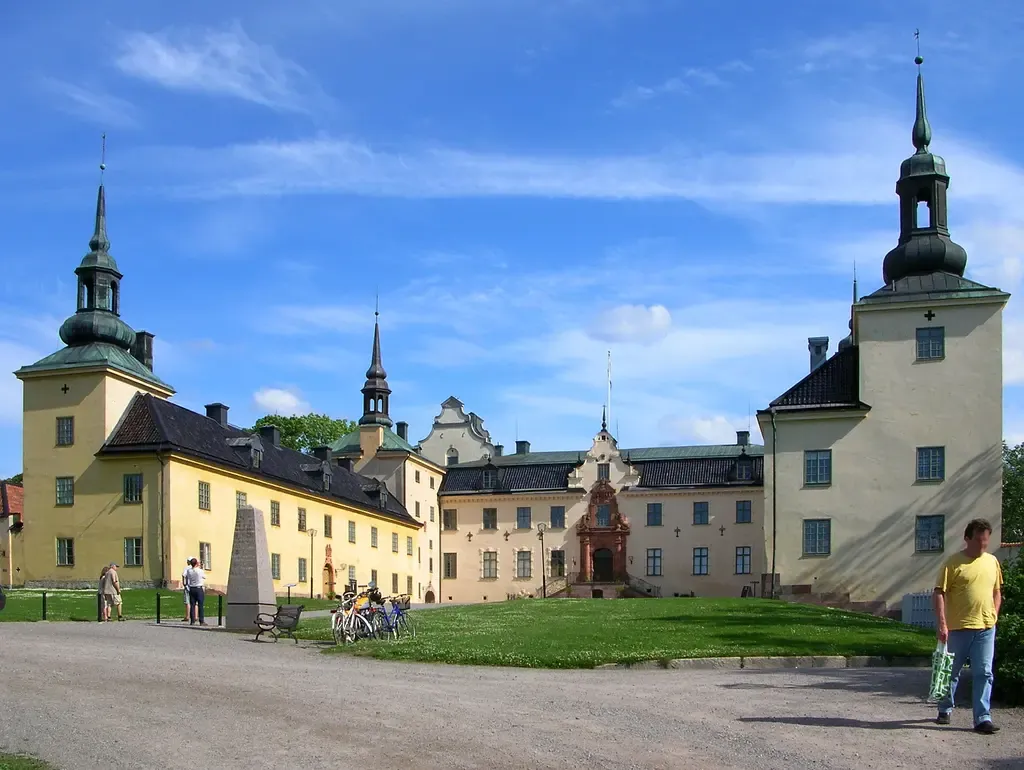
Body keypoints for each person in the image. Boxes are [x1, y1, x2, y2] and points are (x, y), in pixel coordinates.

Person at [933, 518, 1003, 734]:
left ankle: (982, 718)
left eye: (985, 541)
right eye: (978, 541)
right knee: (950, 671)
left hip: (985, 628)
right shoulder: (953, 563)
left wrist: (994, 614)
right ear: (967, 539)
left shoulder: (992, 562)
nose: (982, 545)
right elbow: (939, 593)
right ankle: (944, 708)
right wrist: (943, 624)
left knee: (984, 672)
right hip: (958, 628)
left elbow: (997, 591)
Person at [184, 557, 206, 626]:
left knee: (192, 605)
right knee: (200, 605)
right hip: (198, 588)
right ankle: (201, 621)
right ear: (196, 563)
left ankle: (192, 620)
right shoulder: (200, 571)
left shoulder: (189, 571)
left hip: (192, 588)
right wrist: (201, 567)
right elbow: (204, 577)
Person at [182, 558, 193, 622]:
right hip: (194, 586)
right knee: (195, 603)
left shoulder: (187, 568)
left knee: (187, 602)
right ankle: (196, 616)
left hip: (188, 586)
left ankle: (187, 616)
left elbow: (183, 575)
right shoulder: (196, 568)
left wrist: (184, 583)